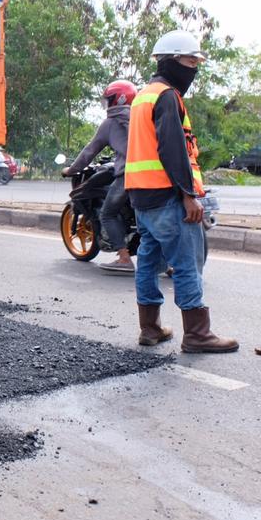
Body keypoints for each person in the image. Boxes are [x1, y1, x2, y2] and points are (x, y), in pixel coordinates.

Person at [125, 30, 237, 353]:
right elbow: (172, 149)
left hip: (142, 198)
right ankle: (197, 334)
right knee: (187, 262)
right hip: (167, 197)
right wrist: (188, 194)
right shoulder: (167, 96)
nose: (194, 68)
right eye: (191, 61)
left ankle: (150, 327)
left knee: (148, 261)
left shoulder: (142, 95)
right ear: (172, 60)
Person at [61, 80, 138, 274]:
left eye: (109, 100)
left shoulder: (110, 123)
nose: (107, 105)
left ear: (119, 99)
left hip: (127, 176)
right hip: (153, 175)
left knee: (108, 213)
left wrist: (70, 170)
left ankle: (123, 257)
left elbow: (89, 151)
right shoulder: (142, 117)